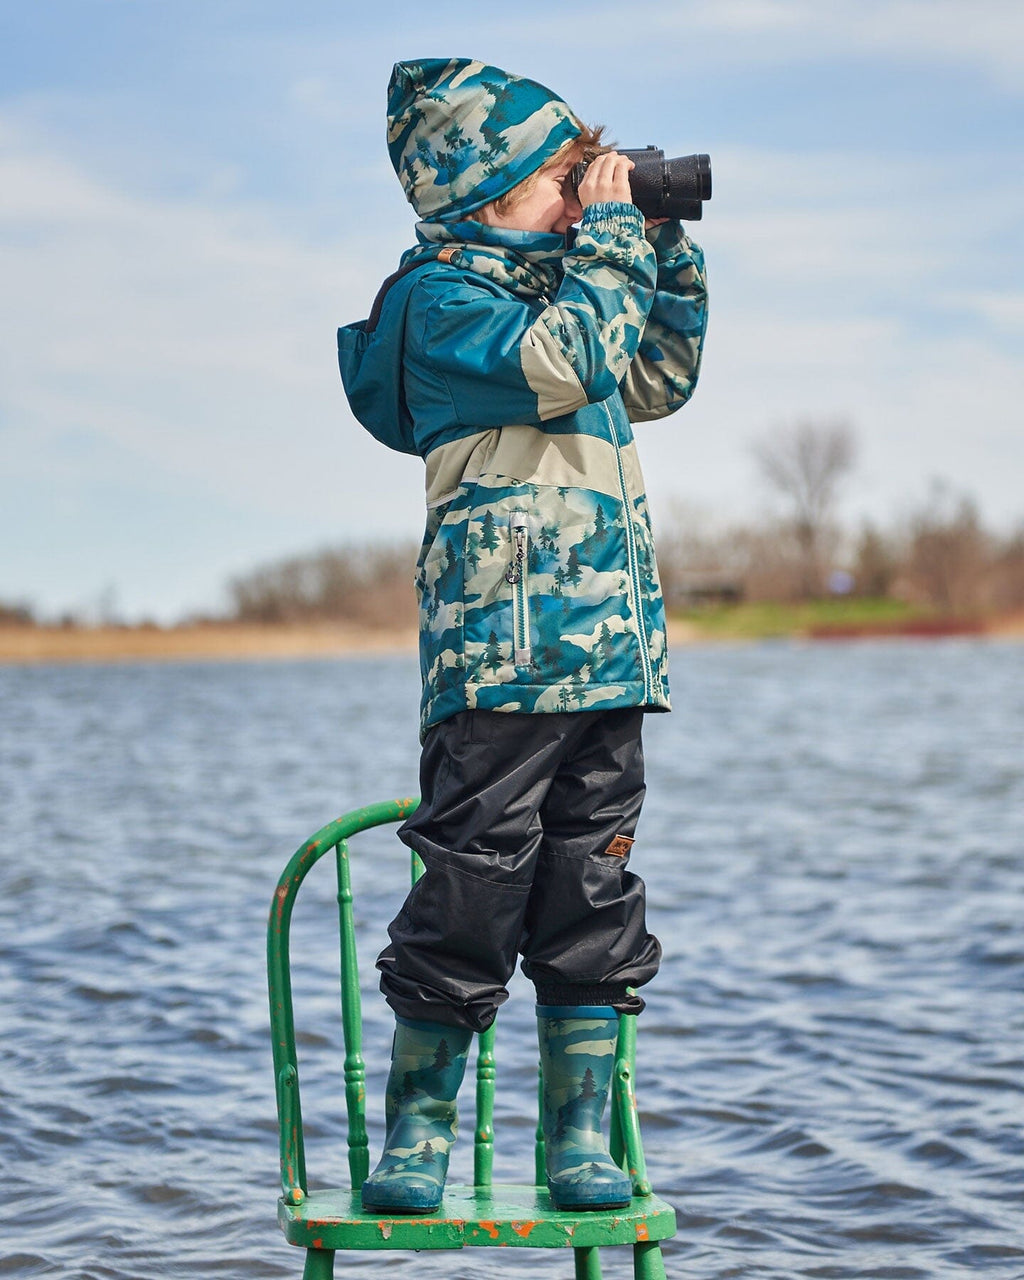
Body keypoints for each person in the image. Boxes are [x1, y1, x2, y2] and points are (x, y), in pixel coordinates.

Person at [337, 57, 708, 1215]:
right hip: (499, 661)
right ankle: (419, 1138)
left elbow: (653, 371)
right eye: (564, 178)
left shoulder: (578, 286)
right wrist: (605, 244)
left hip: (606, 658)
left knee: (590, 894)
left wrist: (660, 241)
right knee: (469, 887)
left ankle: (575, 1140)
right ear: (482, 192)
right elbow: (575, 357)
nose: (583, 194)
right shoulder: (439, 307)